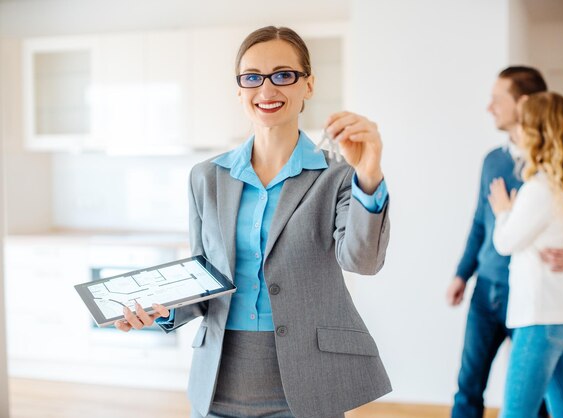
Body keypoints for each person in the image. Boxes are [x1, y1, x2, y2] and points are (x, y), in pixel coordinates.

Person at [114, 26, 392, 418]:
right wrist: (166, 308)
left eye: (283, 75)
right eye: (252, 77)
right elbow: (203, 276)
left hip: (307, 384)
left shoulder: (339, 176)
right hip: (218, 383)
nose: (266, 89)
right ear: (240, 89)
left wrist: (370, 172)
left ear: (308, 85)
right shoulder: (206, 177)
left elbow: (363, 261)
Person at [447, 66, 563, 418]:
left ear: (525, 107)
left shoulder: (562, 173)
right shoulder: (495, 161)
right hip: (493, 293)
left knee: (529, 408)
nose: (489, 107)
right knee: (470, 386)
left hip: (535, 305)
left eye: (496, 99)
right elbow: (479, 225)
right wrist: (462, 274)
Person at [488, 91, 563, 417]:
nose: (516, 131)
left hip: (540, 317)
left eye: (523, 124)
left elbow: (505, 243)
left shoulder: (539, 188)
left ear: (536, 132)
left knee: (516, 412)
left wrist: (504, 210)